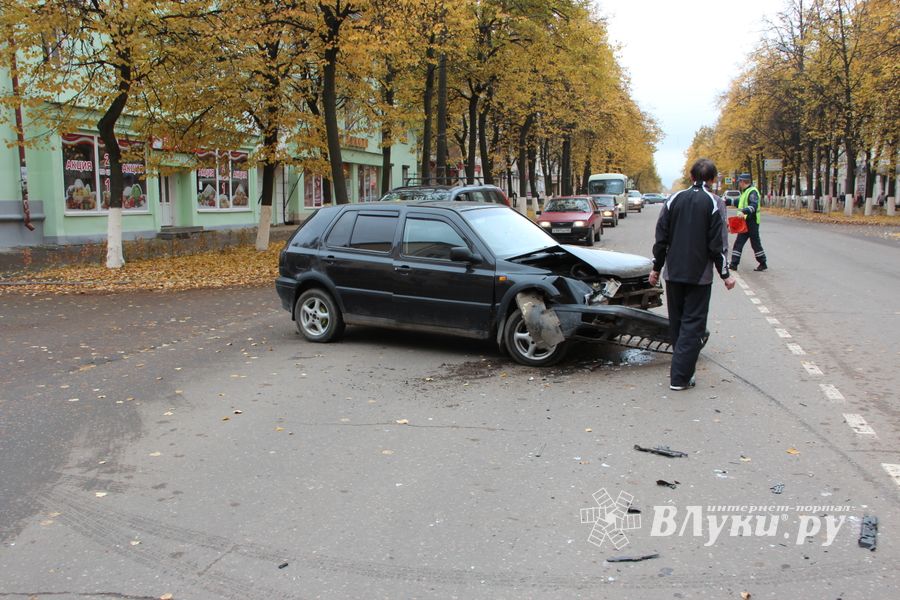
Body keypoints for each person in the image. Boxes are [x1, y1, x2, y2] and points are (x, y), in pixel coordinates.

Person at [649, 158, 736, 391]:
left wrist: (657, 268)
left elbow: (661, 238)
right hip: (699, 275)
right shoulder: (715, 202)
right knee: (693, 325)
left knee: (677, 323)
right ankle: (679, 377)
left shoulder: (673, 199)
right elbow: (718, 243)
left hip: (673, 273)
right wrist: (725, 274)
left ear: (691, 176)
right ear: (714, 179)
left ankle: (685, 371)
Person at [729, 173, 768, 272]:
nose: (739, 184)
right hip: (744, 222)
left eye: (740, 182)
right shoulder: (746, 191)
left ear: (743, 181)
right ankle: (733, 264)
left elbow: (753, 205)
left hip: (752, 221)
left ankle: (762, 262)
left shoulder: (752, 192)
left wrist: (743, 211)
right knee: (739, 242)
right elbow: (740, 202)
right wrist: (727, 201)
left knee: (755, 243)